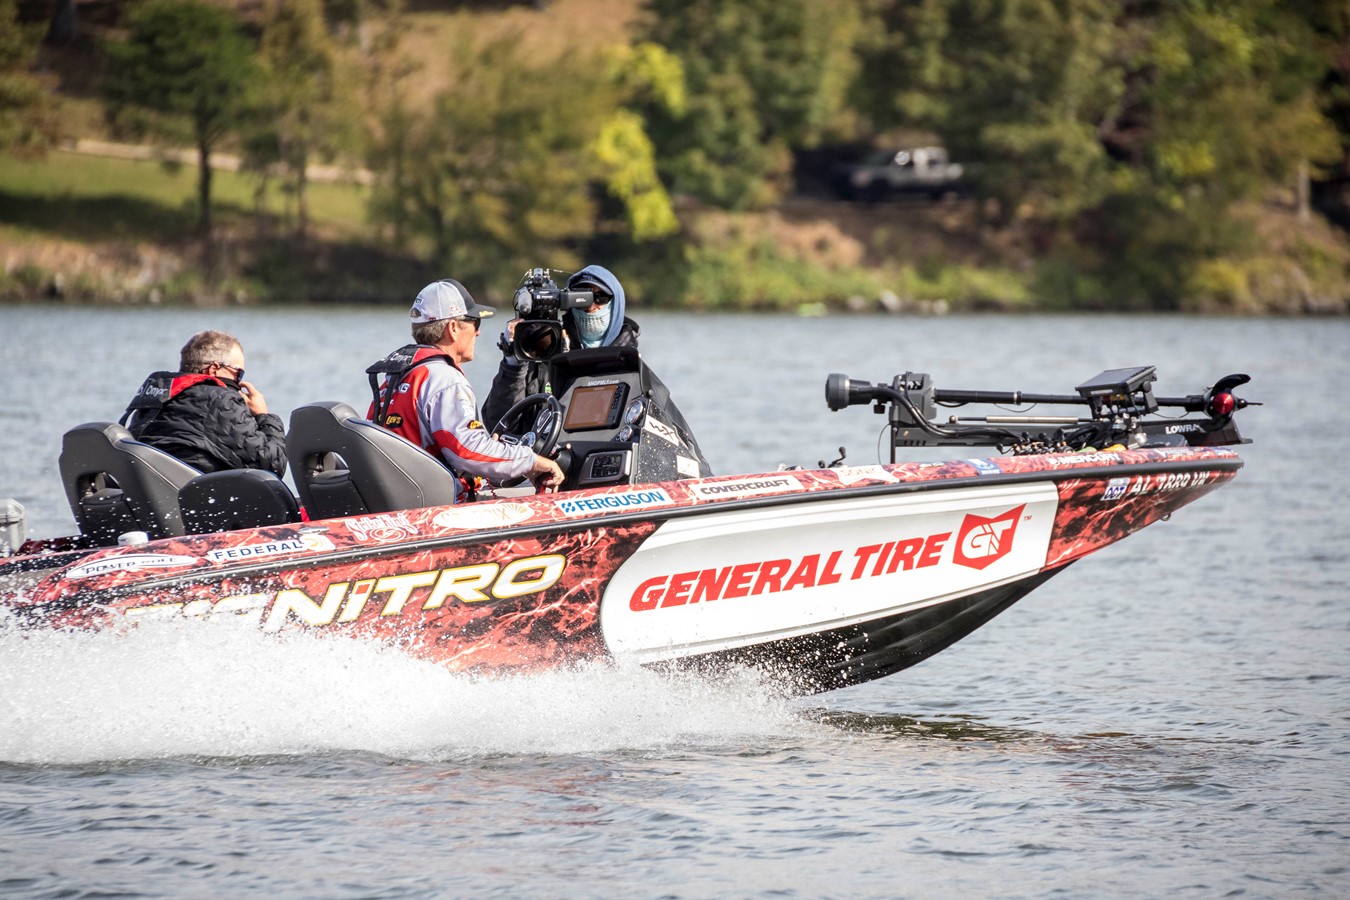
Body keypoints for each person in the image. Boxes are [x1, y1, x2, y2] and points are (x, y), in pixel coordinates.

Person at [483, 265, 712, 476]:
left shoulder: (634, 372)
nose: (591, 308)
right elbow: (499, 427)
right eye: (583, 301)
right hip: (549, 477)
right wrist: (514, 364)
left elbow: (679, 439)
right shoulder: (542, 364)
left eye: (599, 298)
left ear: (616, 305)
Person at [366, 278, 564, 497]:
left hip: (403, 497)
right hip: (438, 510)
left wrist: (498, 453)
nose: (478, 333)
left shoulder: (399, 375)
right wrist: (532, 461)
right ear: (453, 328)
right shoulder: (444, 379)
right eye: (475, 324)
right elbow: (467, 450)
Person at [121, 330, 287, 476]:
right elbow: (272, 465)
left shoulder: (154, 398)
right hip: (198, 501)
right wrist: (263, 415)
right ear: (214, 369)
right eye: (239, 374)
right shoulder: (221, 400)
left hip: (151, 497)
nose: (239, 383)